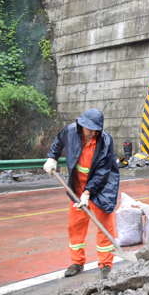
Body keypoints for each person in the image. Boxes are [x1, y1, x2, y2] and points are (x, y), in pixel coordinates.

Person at [43, 109, 120, 279]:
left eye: (96, 129)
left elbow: (102, 172)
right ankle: (77, 262)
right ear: (81, 124)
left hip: (100, 189)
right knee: (75, 226)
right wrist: (52, 158)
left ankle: (106, 265)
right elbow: (58, 141)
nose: (92, 133)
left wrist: (88, 192)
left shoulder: (105, 141)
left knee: (104, 226)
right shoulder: (70, 131)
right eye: (89, 129)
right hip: (77, 189)